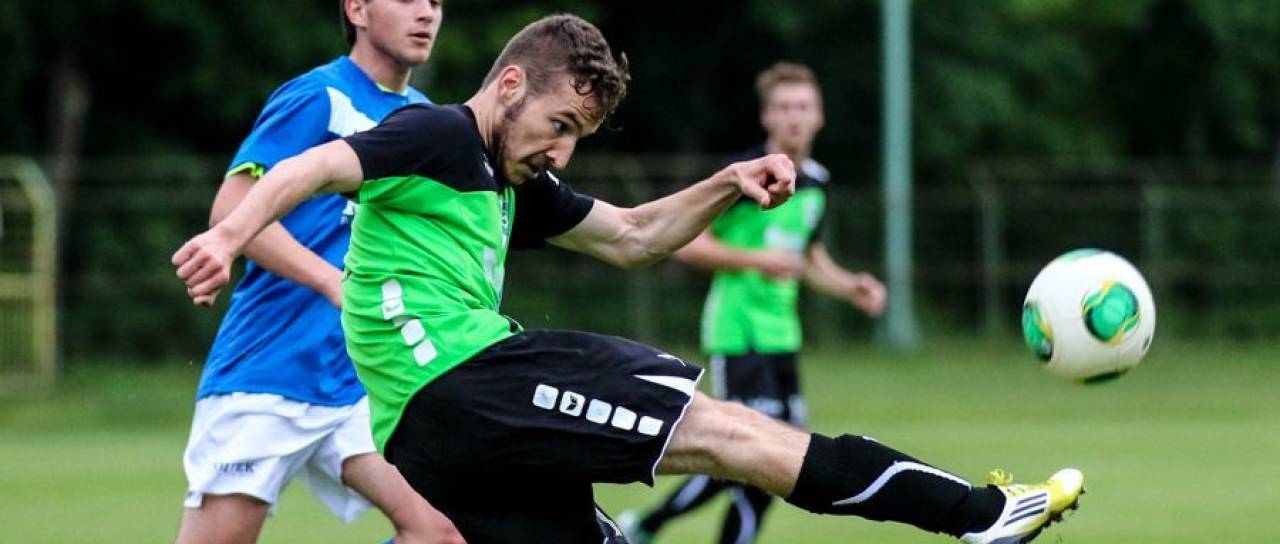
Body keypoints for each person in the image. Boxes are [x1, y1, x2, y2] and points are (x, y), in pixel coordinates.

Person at [172, 14, 1084, 544]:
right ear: (510, 85)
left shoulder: (508, 181)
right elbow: (312, 169)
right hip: (465, 381)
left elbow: (635, 236)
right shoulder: (439, 133)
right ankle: (976, 513)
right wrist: (230, 236)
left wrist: (728, 183)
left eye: (578, 137)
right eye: (559, 125)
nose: (562, 152)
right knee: (729, 432)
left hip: (435, 439)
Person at [175, 1, 463, 543]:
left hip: (362, 380)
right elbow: (232, 209)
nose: (426, 13)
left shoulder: (427, 120)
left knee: (443, 531)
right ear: (357, 9)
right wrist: (331, 281)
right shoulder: (319, 96)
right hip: (270, 370)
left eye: (435, 2)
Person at [618, 62, 888, 544]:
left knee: (773, 461)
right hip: (738, 334)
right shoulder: (745, 178)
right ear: (766, 116)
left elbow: (806, 259)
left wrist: (851, 286)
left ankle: (647, 526)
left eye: (803, 107)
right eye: (783, 107)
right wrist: (755, 260)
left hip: (783, 338)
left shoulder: (817, 183)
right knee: (756, 467)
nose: (794, 117)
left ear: (819, 116)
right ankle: (648, 526)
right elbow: (687, 243)